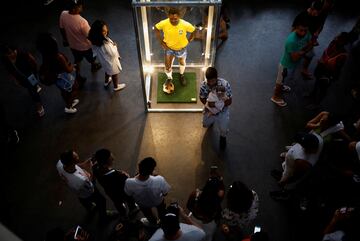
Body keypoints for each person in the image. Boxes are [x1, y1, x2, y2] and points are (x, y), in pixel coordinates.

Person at [56, 149, 117, 221]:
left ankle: (91, 209)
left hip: (79, 193)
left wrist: (84, 164)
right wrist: (91, 170)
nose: (78, 156)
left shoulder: (60, 164)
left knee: (84, 201)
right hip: (88, 192)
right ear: (72, 162)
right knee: (102, 201)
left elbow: (75, 165)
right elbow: (91, 184)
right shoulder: (79, 180)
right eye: (76, 157)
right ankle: (103, 217)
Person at [270, 20, 315, 107]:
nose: (303, 33)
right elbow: (294, 58)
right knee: (279, 81)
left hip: (292, 63)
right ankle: (275, 97)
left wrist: (301, 52)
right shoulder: (291, 41)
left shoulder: (307, 33)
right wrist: (305, 50)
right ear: (295, 29)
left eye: (305, 30)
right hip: (285, 64)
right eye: (301, 30)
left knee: (283, 78)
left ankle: (281, 87)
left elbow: (310, 43)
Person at [36, 32, 80, 114]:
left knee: (64, 91)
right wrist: (73, 66)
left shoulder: (46, 56)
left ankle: (68, 102)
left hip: (57, 79)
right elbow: (68, 70)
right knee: (75, 88)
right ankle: (68, 107)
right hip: (65, 77)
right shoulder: (59, 57)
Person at [154, 7, 196, 94]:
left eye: (175, 19)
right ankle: (169, 78)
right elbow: (156, 28)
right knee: (167, 66)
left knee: (182, 62)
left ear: (179, 17)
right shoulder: (164, 23)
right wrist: (161, 42)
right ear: (168, 16)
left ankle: (181, 75)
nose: (173, 20)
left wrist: (189, 40)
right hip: (169, 48)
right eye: (171, 18)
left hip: (181, 49)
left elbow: (193, 30)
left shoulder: (184, 24)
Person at [59, 0, 101, 82]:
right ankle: (93, 65)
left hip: (73, 46)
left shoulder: (63, 14)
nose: (81, 7)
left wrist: (64, 39)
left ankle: (78, 76)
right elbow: (90, 36)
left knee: (77, 60)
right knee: (91, 57)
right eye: (79, 6)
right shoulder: (82, 22)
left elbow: (62, 28)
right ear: (74, 9)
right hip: (86, 47)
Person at [308, 32, 354, 106]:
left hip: (328, 73)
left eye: (338, 37)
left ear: (343, 42)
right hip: (321, 67)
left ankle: (316, 104)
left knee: (323, 89)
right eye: (337, 36)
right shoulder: (333, 43)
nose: (335, 37)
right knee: (317, 82)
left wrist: (326, 66)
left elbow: (336, 68)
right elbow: (325, 53)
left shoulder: (343, 55)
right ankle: (312, 95)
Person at [0, 44, 45, 117]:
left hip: (30, 74)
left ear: (14, 49)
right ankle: (35, 86)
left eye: (12, 52)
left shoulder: (22, 54)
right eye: (8, 54)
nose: (11, 54)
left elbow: (33, 61)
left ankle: (39, 106)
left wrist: (35, 70)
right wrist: (15, 79)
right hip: (21, 78)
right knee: (29, 87)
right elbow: (9, 70)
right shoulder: (6, 60)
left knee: (33, 91)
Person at [124, 157, 171, 226]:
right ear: (152, 170)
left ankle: (153, 223)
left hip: (143, 204)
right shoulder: (159, 179)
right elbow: (165, 193)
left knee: (148, 214)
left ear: (139, 166)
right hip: (158, 201)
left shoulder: (129, 182)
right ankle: (163, 221)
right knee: (162, 211)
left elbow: (128, 194)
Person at [92, 148, 138, 217]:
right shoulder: (119, 175)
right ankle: (132, 209)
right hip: (122, 192)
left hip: (110, 192)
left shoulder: (95, 168)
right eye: (111, 159)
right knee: (129, 199)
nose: (113, 158)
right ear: (105, 165)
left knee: (117, 203)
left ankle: (123, 215)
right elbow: (129, 182)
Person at [186, 167, 225, 241]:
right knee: (207, 237)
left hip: (194, 219)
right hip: (209, 224)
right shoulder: (217, 200)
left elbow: (188, 206)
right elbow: (222, 191)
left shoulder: (195, 194)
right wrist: (220, 180)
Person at [88, 20, 126, 92]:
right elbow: (113, 53)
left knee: (107, 71)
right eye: (103, 31)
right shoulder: (105, 43)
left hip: (104, 61)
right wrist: (115, 46)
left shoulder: (96, 41)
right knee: (114, 74)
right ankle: (116, 86)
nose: (106, 32)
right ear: (98, 33)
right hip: (111, 62)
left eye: (106, 30)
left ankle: (106, 81)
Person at [200, 67, 232, 149]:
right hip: (210, 110)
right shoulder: (204, 85)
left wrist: (215, 104)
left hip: (222, 111)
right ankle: (211, 123)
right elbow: (202, 97)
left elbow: (229, 102)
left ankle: (223, 137)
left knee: (223, 129)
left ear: (217, 77)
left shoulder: (225, 84)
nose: (210, 83)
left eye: (213, 81)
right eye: (208, 81)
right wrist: (208, 106)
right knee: (205, 124)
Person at [292, 1, 325, 79]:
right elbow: (293, 29)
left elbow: (320, 25)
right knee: (296, 54)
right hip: (299, 39)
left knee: (310, 55)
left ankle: (304, 69)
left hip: (310, 40)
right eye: (315, 13)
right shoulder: (302, 15)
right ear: (311, 9)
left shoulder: (319, 15)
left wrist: (317, 33)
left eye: (319, 13)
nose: (317, 15)